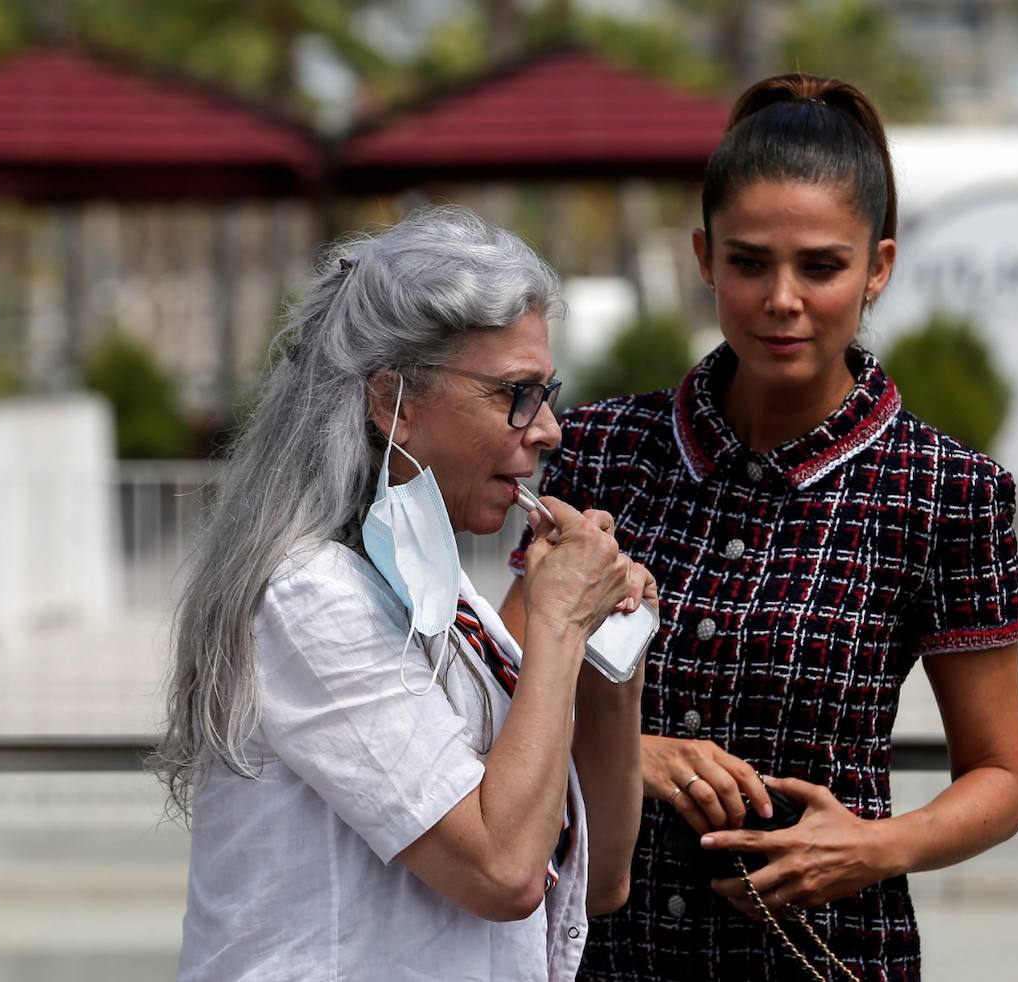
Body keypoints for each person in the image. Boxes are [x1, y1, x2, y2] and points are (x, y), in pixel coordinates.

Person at [500, 74, 1018, 980]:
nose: (782, 298)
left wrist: (872, 849)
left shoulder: (948, 490)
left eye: (821, 266)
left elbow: (1001, 780)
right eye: (749, 263)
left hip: (823, 951)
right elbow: (504, 675)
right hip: (596, 951)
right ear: (705, 258)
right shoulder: (601, 448)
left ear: (880, 268)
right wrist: (632, 753)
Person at [160, 206, 658, 982]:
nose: (550, 429)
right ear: (392, 400)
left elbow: (600, 882)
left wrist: (610, 655)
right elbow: (503, 872)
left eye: (548, 391)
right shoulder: (308, 596)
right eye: (515, 394)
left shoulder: (434, 591)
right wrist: (556, 623)